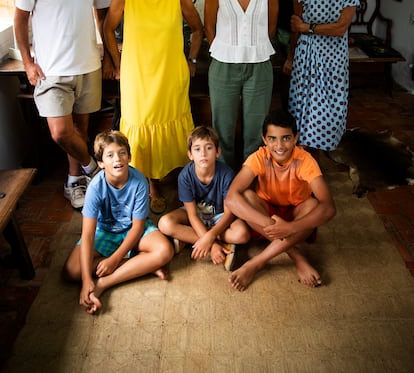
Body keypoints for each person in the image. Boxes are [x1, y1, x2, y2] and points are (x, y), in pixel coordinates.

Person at [14, 0, 112, 209]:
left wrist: (108, 56)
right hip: (51, 70)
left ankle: (74, 182)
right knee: (60, 132)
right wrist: (28, 62)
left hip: (88, 65)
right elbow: (20, 20)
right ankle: (94, 170)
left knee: (80, 132)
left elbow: (103, 15)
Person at [103, 0, 203, 214]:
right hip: (137, 75)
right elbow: (107, 28)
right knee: (141, 126)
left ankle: (184, 179)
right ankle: (151, 184)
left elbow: (197, 29)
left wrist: (191, 60)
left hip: (171, 74)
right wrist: (117, 61)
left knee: (175, 124)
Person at [62, 130, 174, 314]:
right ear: (100, 163)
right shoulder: (95, 187)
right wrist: (85, 280)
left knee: (165, 251)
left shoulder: (139, 181)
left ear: (129, 157)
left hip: (133, 229)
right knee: (72, 271)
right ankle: (142, 266)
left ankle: (106, 282)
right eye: (110, 155)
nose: (117, 159)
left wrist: (114, 260)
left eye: (122, 153)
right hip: (104, 230)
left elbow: (138, 227)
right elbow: (88, 234)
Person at [225, 109, 336, 291]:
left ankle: (256, 263)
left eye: (286, 138)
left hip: (296, 214)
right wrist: (271, 224)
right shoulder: (260, 156)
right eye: (272, 139)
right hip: (267, 212)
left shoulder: (305, 160)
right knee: (246, 196)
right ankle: (297, 257)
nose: (279, 145)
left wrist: (290, 227)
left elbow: (329, 207)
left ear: (295, 138)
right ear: (264, 139)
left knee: (313, 205)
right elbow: (231, 198)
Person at [204, 0, 278, 170]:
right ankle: (224, 179)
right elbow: (208, 25)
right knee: (222, 129)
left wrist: (252, 47)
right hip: (223, 66)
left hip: (259, 66)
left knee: (256, 130)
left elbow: (271, 27)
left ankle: (249, 179)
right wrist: (227, 48)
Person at [287, 0, 362, 155]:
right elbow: (295, 27)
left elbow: (340, 28)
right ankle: (303, 157)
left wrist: (308, 27)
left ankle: (322, 151)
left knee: (332, 103)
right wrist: (290, 57)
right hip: (307, 54)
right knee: (304, 106)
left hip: (335, 56)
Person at [158, 125, 250, 270]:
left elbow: (229, 213)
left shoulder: (227, 174)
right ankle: (219, 246)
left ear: (218, 152)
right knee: (165, 223)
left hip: (220, 215)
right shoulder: (185, 176)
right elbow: (192, 215)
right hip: (195, 214)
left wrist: (209, 235)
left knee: (242, 234)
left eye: (209, 148)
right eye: (197, 149)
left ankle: (187, 239)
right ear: (190, 154)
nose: (203, 154)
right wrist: (212, 244)